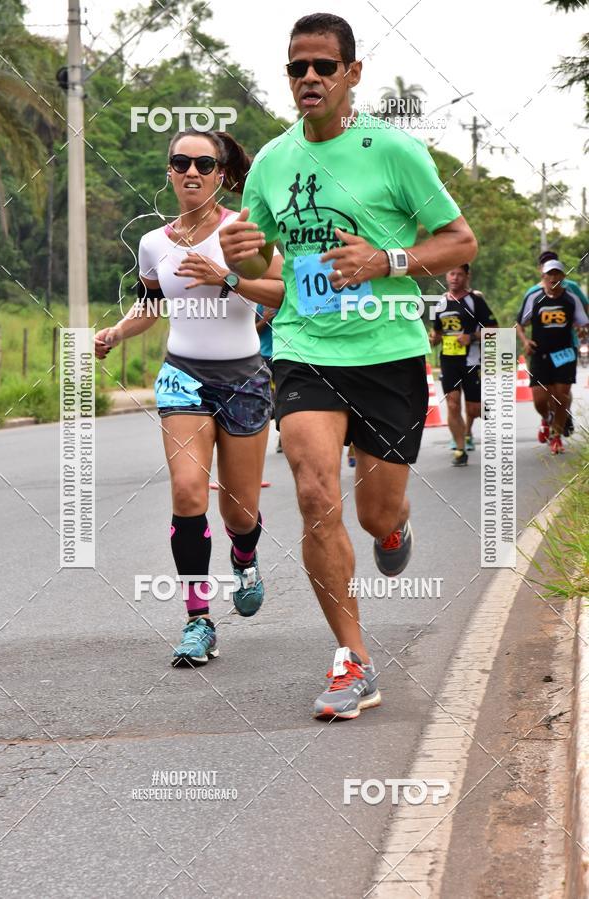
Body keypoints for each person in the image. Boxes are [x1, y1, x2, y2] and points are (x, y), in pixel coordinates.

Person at [220, 13, 477, 719]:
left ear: (351, 74)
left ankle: (395, 527)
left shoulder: (394, 153)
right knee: (311, 493)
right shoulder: (272, 162)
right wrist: (242, 249)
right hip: (306, 348)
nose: (308, 78)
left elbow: (459, 241)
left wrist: (384, 260)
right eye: (297, 67)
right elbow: (265, 261)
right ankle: (353, 657)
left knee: (374, 512)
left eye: (323, 67)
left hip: (388, 351)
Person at [95, 129, 284, 666]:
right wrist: (115, 332)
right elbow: (151, 305)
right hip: (183, 376)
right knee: (186, 494)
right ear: (170, 173)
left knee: (241, 509)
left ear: (222, 174)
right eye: (182, 163)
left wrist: (226, 279)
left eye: (205, 163)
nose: (192, 172)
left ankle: (244, 556)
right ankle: (198, 620)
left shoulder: (244, 231)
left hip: (245, 377)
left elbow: (277, 292)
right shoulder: (154, 243)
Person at [516, 259, 589, 454]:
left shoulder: (570, 299)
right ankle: (548, 418)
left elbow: (583, 323)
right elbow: (520, 324)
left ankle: (556, 436)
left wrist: (582, 332)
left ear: (563, 277)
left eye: (557, 274)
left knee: (561, 395)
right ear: (544, 277)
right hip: (540, 354)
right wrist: (525, 341)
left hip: (565, 353)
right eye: (550, 274)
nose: (553, 278)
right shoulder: (534, 298)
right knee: (540, 399)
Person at [429, 264, 497, 466]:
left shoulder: (475, 300)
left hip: (471, 360)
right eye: (451, 273)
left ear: (467, 276)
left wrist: (472, 337)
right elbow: (438, 333)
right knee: (452, 403)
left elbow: (494, 329)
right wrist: (434, 340)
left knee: (473, 408)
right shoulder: (440, 302)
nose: (455, 278)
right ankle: (460, 450)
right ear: (446, 275)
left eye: (459, 274)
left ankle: (477, 414)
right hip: (448, 360)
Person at [255, 302, 284, 453]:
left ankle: (283, 436)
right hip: (263, 356)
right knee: (264, 399)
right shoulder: (257, 302)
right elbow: (249, 331)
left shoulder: (287, 296)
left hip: (285, 356)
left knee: (284, 397)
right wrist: (264, 319)